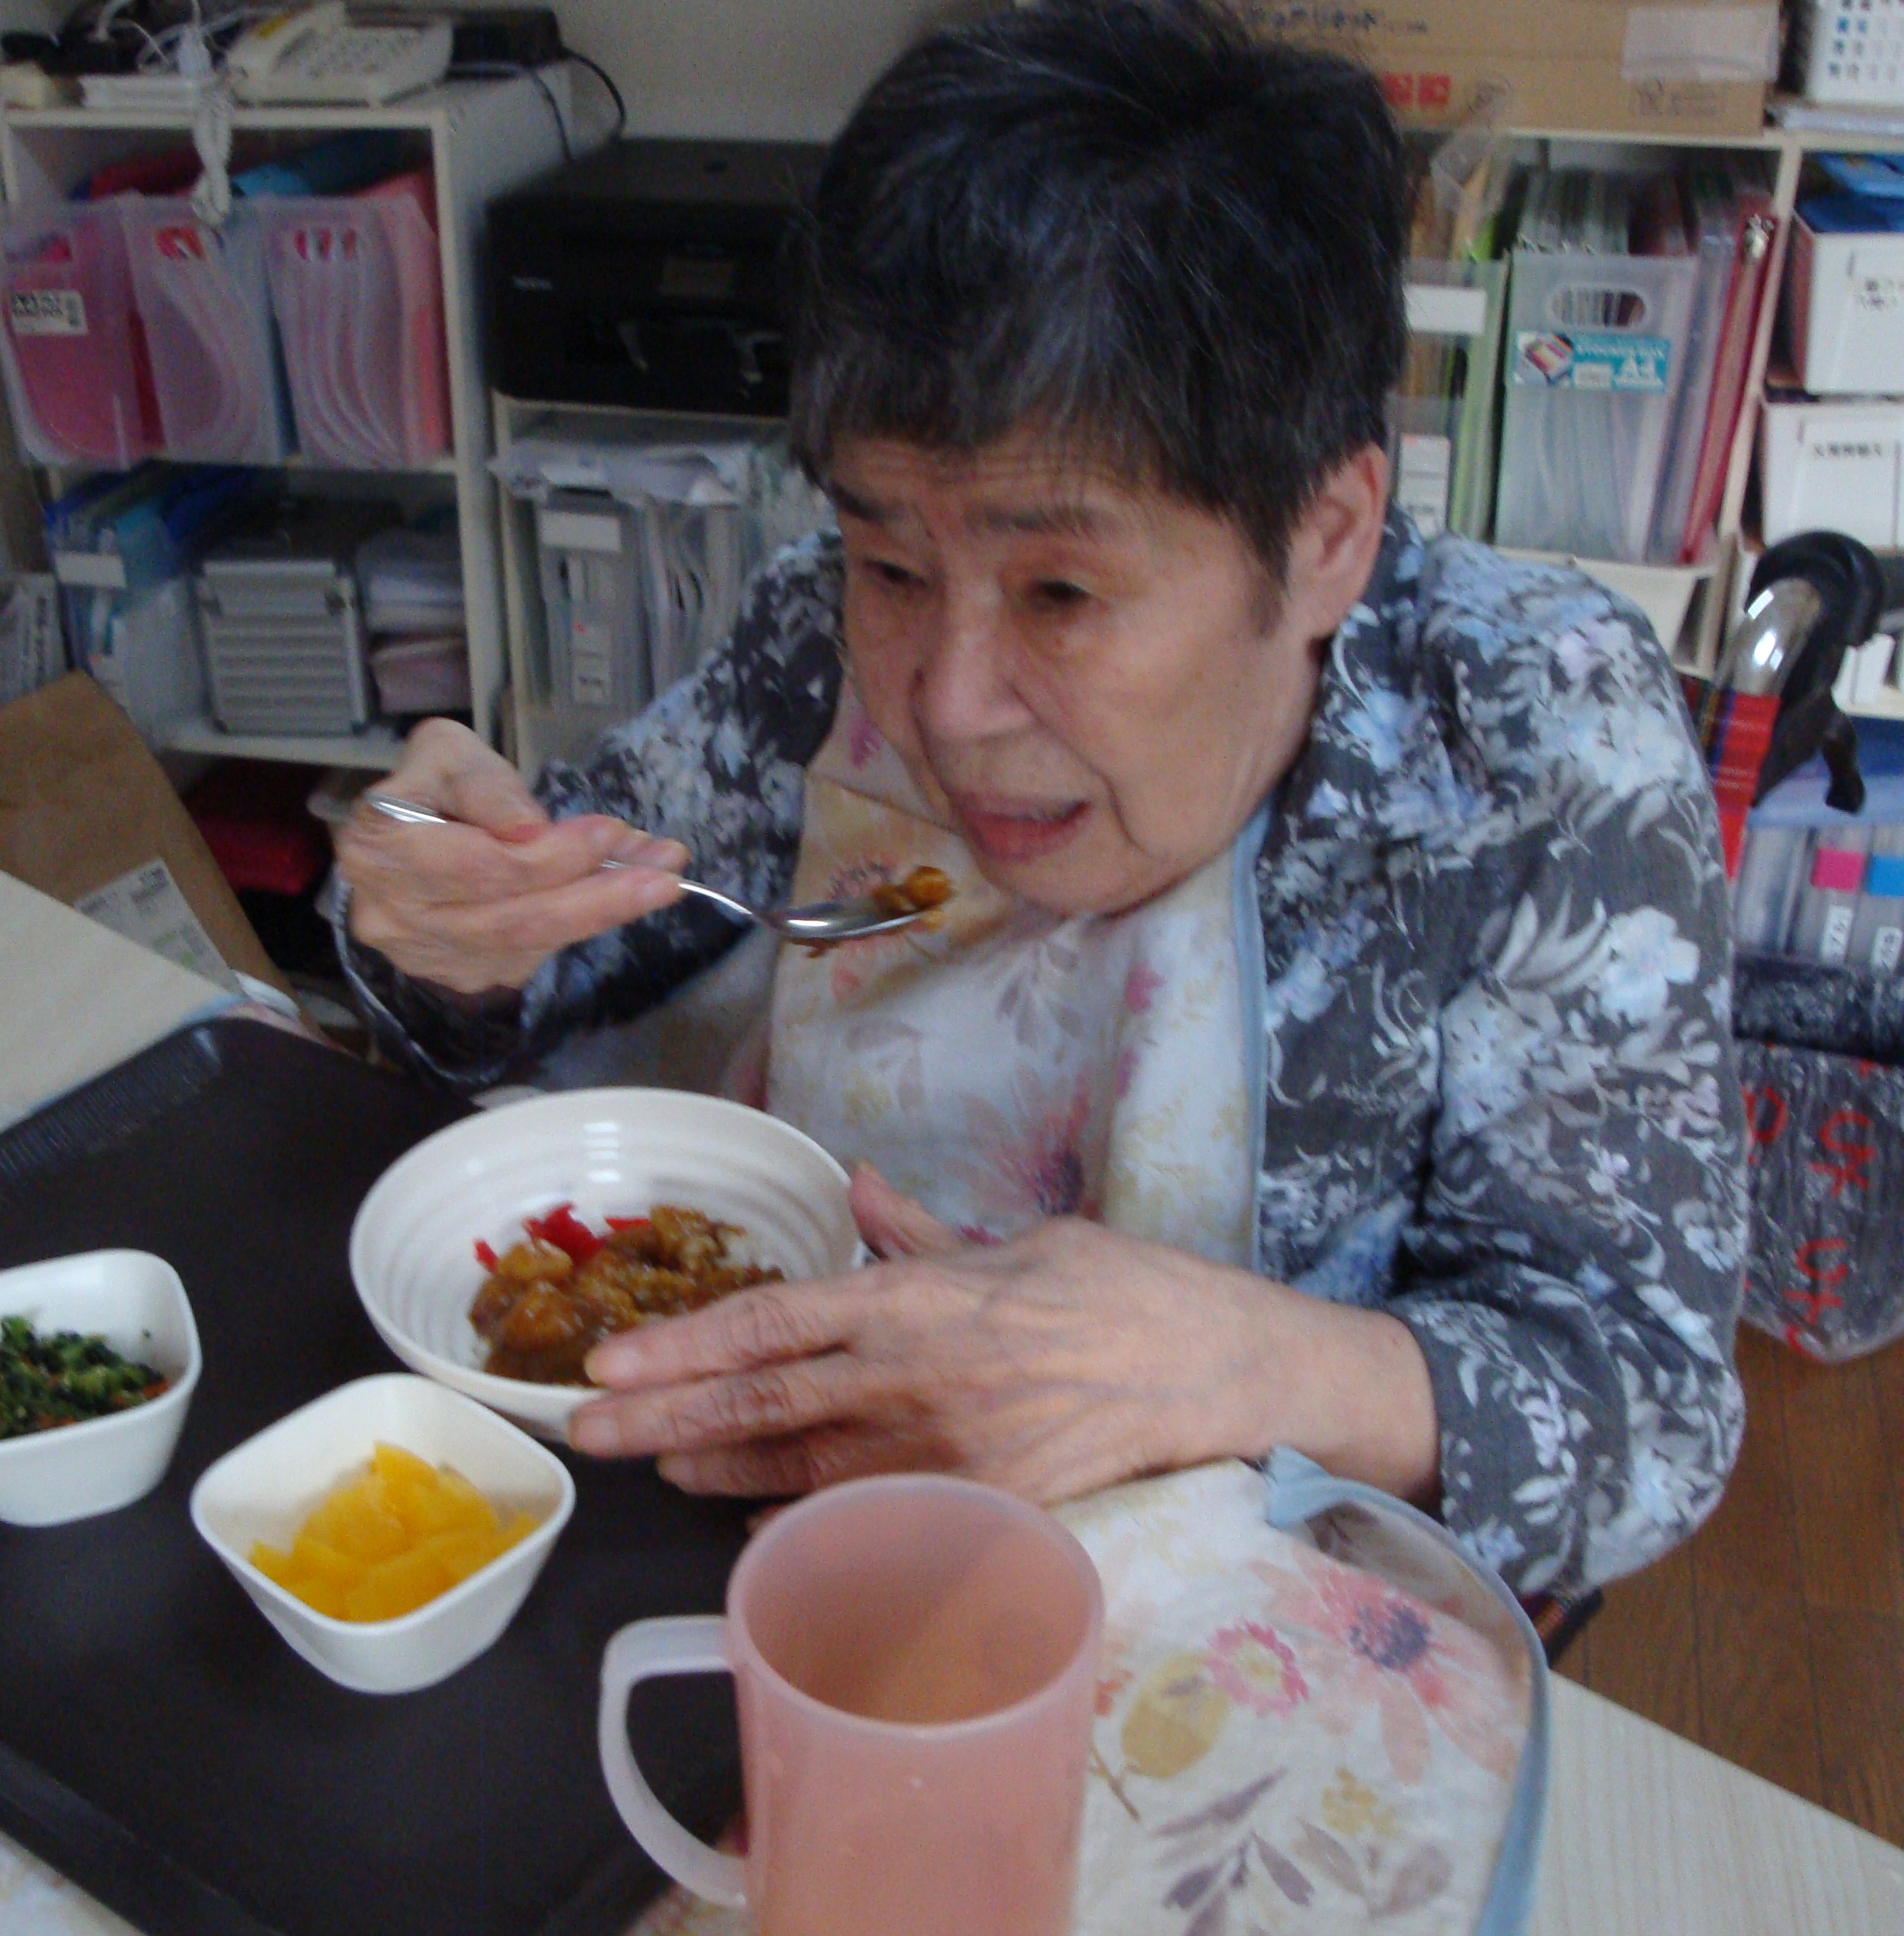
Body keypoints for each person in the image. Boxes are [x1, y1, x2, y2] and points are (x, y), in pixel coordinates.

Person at [330, 0, 1746, 1598]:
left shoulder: (1524, 736)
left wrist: (1230, 1367)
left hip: (1230, 1624)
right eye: (891, 564)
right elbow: (547, 963)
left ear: (1328, 536)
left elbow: (1646, 1399)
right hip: (743, 1526)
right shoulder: (818, 635)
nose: (944, 700)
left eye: (1062, 593)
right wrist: (451, 909)